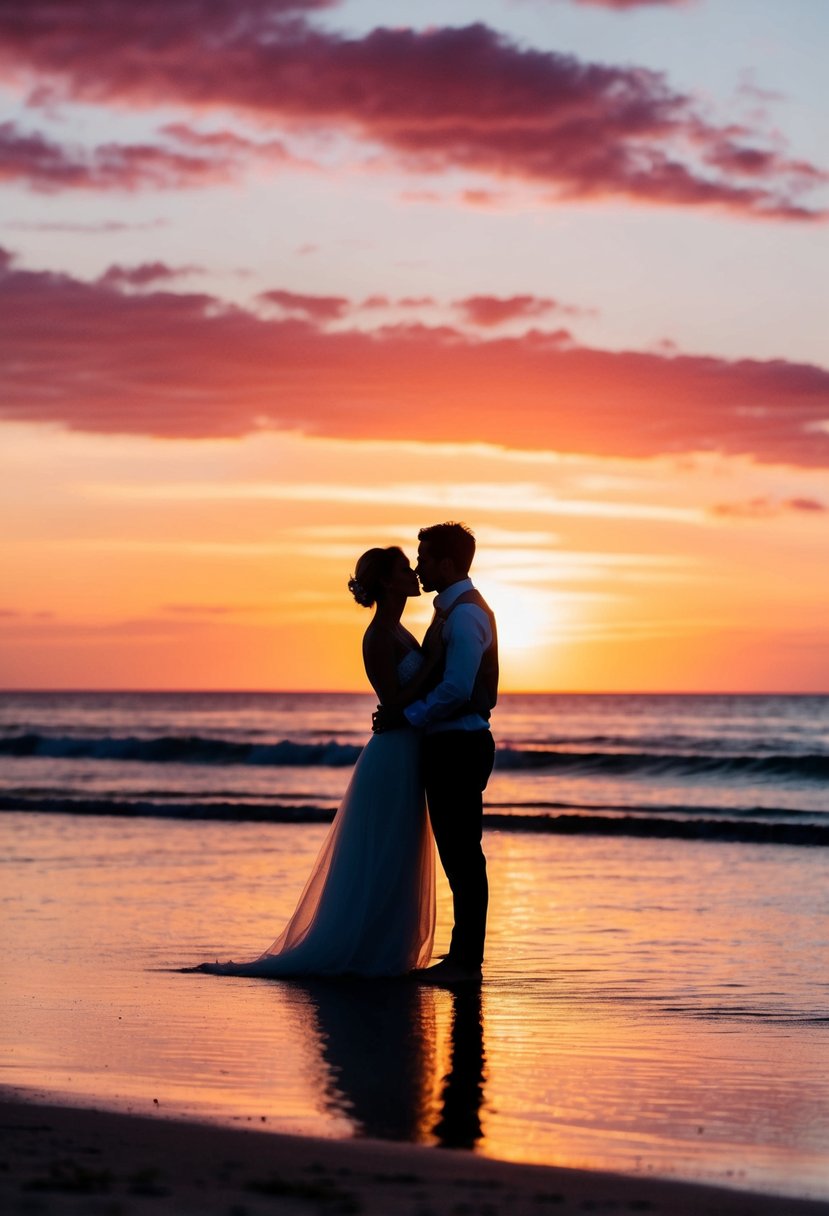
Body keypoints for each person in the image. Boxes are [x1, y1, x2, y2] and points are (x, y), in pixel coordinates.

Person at [189, 546, 439, 978]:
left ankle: (386, 949)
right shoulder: (377, 635)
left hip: (408, 749)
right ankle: (364, 952)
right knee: (383, 852)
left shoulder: (399, 631)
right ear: (386, 582)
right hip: (393, 753)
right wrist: (434, 665)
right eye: (403, 568)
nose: (413, 572)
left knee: (399, 852)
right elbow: (393, 700)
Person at [373, 522, 498, 985]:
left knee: (463, 855)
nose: (419, 567)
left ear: (447, 563)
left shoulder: (464, 616)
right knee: (459, 855)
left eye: (425, 559)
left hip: (459, 744)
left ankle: (466, 962)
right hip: (450, 742)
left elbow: (456, 688)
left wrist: (409, 716)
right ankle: (462, 957)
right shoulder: (449, 611)